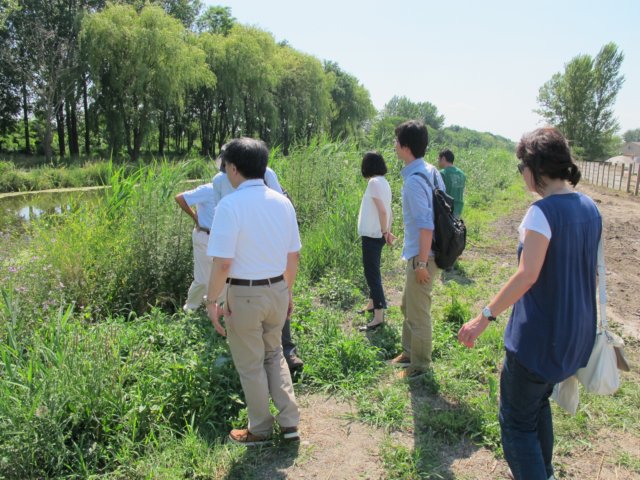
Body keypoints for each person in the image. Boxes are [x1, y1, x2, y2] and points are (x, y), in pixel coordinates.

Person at [457, 127, 601, 480]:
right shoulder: (589, 207)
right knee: (536, 406)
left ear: (536, 167)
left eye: (522, 166)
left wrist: (484, 316)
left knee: (516, 424)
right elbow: (592, 276)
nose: (521, 173)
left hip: (538, 340)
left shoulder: (542, 212)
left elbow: (527, 275)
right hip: (576, 335)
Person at [206, 137, 301, 446]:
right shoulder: (282, 202)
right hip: (277, 289)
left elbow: (223, 263)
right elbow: (293, 256)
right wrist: (287, 292)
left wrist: (211, 301)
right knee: (275, 355)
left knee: (250, 363)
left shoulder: (229, 205)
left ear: (233, 168)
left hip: (245, 294)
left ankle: (259, 428)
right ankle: (289, 422)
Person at [213, 147, 304, 374]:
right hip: (237, 245)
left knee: (275, 294)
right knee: (243, 306)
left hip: (264, 240)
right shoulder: (219, 181)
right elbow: (219, 212)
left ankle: (287, 351)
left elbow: (277, 203)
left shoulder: (266, 173)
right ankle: (252, 357)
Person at [389, 120, 446, 379]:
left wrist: (422, 263)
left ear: (406, 147)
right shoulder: (431, 171)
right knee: (407, 305)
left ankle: (420, 365)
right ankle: (409, 352)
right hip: (426, 252)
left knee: (418, 312)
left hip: (424, 256)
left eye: (396, 141)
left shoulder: (414, 181)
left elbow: (426, 225)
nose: (394, 145)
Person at [356, 151, 395, 331]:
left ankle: (378, 316)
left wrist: (385, 231)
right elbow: (389, 210)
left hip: (373, 235)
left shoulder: (373, 183)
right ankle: (372, 304)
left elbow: (383, 211)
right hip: (378, 234)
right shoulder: (384, 182)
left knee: (372, 274)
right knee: (373, 270)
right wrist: (387, 231)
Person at [175, 182, 216, 312]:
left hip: (224, 238)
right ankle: (190, 310)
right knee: (203, 280)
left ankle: (214, 311)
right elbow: (180, 198)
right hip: (205, 235)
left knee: (224, 276)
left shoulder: (234, 188)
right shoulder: (209, 189)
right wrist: (195, 218)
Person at [438, 149, 466, 218]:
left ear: (443, 158)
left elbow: (438, 193)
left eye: (439, 159)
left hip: (447, 208)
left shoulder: (442, 173)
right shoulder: (462, 174)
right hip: (458, 208)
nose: (438, 161)